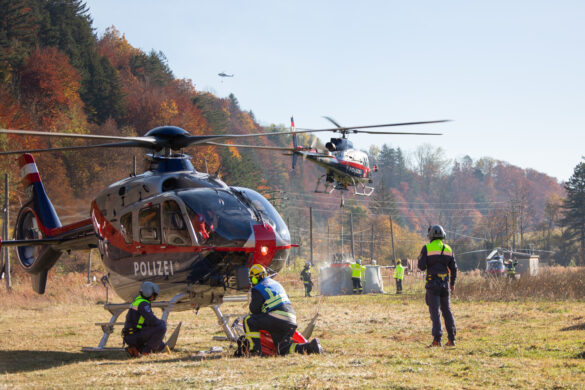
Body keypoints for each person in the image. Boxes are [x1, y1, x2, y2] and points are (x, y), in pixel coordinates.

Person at [243, 264, 323, 356]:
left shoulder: (258, 288)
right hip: (290, 320)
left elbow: (254, 310)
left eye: (252, 279)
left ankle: (254, 352)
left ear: (255, 278)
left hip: (277, 318)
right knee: (283, 349)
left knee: (248, 320)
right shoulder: (275, 283)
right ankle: (310, 347)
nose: (252, 282)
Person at [418, 225, 457, 347]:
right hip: (445, 284)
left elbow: (421, 266)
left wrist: (422, 258)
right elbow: (454, 269)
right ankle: (451, 339)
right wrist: (452, 284)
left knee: (435, 311)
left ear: (430, 236)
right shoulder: (448, 249)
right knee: (447, 311)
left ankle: (437, 340)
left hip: (432, 284)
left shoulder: (427, 248)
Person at [122, 281, 168, 357]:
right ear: (148, 293)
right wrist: (162, 322)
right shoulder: (143, 304)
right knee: (161, 327)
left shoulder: (138, 301)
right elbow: (152, 321)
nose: (154, 297)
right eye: (154, 295)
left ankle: (135, 349)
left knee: (160, 346)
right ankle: (146, 352)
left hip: (131, 335)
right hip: (134, 335)